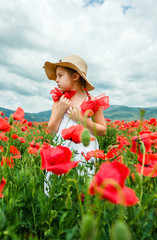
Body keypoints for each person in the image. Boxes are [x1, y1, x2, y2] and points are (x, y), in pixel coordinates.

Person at [43, 54, 109, 196]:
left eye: (60, 75)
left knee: (81, 187)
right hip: (61, 150)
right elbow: (51, 129)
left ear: (75, 77)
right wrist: (60, 110)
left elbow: (103, 130)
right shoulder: (58, 100)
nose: (56, 80)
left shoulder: (92, 101)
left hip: (84, 152)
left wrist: (81, 119)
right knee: (57, 189)